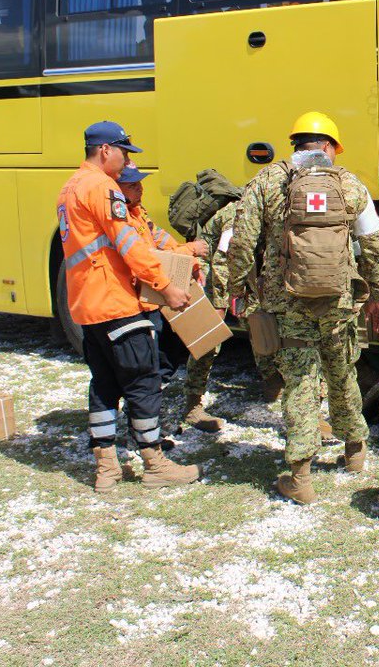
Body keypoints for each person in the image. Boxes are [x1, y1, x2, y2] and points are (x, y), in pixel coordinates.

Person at [228, 111, 379, 504]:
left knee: (300, 382)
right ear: (330, 146)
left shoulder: (267, 181)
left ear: (294, 143)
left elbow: (241, 241)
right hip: (338, 301)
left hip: (287, 302)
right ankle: (355, 452)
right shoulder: (349, 184)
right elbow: (374, 245)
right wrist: (378, 296)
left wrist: (238, 288)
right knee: (342, 371)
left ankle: (300, 477)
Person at [56, 121, 200, 492]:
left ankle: (106, 469)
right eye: (124, 152)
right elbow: (130, 245)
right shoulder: (102, 187)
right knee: (142, 383)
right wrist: (166, 287)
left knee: (104, 385)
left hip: (88, 307)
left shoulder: (70, 187)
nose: (125, 162)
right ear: (105, 150)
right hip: (117, 303)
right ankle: (154, 464)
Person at [116, 163, 215, 427]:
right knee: (146, 367)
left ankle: (147, 422)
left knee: (165, 358)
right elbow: (146, 256)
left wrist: (189, 259)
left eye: (139, 183)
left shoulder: (137, 213)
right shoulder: (121, 220)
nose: (140, 188)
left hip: (153, 300)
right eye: (132, 185)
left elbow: (161, 240)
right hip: (139, 303)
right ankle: (141, 426)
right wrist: (190, 250)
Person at [178, 196, 239, 433]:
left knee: (261, 325)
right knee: (208, 338)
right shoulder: (238, 214)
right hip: (209, 268)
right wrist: (221, 303)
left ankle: (272, 384)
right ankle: (192, 404)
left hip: (240, 269)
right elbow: (221, 260)